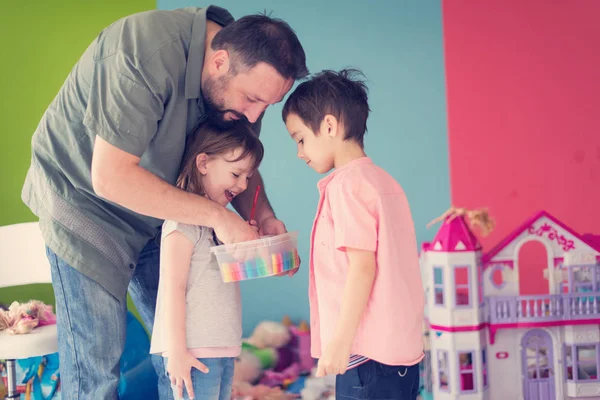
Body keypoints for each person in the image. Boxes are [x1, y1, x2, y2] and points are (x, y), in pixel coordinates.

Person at [20, 5, 308, 399]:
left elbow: (236, 155)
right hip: (85, 200)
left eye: (267, 107)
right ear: (219, 61)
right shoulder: (142, 51)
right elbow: (111, 177)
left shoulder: (236, 82)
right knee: (97, 366)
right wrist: (218, 218)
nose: (254, 115)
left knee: (189, 350)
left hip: (164, 206)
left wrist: (264, 216)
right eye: (253, 99)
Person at [282, 69, 425, 399]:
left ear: (329, 126)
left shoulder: (346, 186)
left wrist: (340, 342)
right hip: (401, 354)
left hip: (366, 356)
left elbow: (363, 267)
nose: (300, 153)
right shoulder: (384, 182)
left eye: (301, 139)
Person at [150, 121, 263, 400]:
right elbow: (172, 288)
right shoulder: (182, 221)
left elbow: (231, 274)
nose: (243, 185)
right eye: (236, 173)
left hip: (222, 348)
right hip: (193, 351)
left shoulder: (220, 224)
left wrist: (250, 242)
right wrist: (176, 351)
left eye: (248, 177)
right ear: (203, 163)